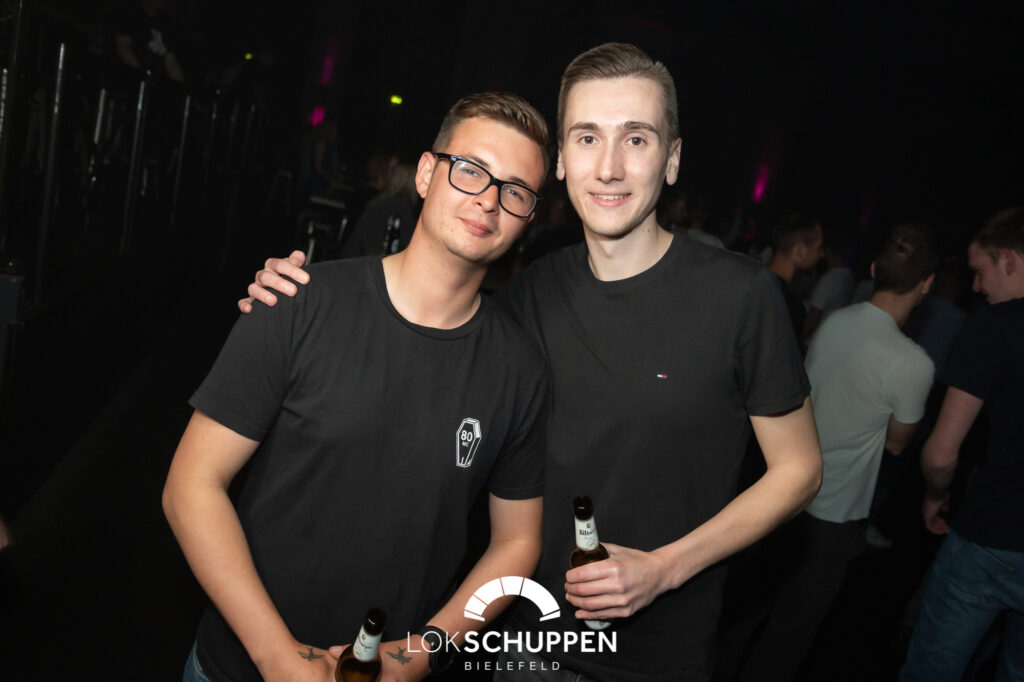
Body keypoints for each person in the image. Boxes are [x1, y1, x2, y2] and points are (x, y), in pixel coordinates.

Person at [244, 42, 822, 681]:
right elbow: (419, 337)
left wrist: (664, 569)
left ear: (673, 158)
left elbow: (799, 471)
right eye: (587, 138)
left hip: (654, 658)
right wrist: (294, 296)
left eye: (636, 139)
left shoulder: (742, 297)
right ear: (563, 164)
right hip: (521, 647)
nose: (609, 167)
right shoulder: (526, 297)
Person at [164, 92, 551, 682]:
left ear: (528, 217)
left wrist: (420, 653)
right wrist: (275, 655)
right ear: (426, 174)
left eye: (515, 190)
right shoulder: (298, 301)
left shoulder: (519, 369)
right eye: (471, 170)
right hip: (236, 668)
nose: (489, 200)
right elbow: (191, 485)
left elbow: (516, 544)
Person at [719, 223, 937, 682]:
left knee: (745, 612)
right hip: (833, 513)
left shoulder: (836, 320)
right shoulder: (914, 363)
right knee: (789, 635)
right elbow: (898, 443)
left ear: (874, 270)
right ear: (926, 284)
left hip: (782, 493)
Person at [901, 207, 1024, 681]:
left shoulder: (995, 325)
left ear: (1008, 259)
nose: (976, 286)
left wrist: (934, 496)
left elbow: (941, 452)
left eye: (980, 270)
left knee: (933, 670)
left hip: (993, 536)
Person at [767, 213, 824, 340]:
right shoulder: (789, 307)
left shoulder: (751, 281)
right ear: (800, 251)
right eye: (819, 247)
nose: (821, 255)